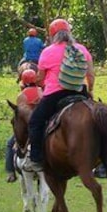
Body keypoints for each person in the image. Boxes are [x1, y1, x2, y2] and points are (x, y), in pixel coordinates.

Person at [21, 19, 95, 173]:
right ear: (69, 33)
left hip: (55, 94)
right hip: (80, 92)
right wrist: (90, 91)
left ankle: (36, 159)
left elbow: (40, 78)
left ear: (53, 35)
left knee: (35, 121)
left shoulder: (47, 51)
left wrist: (42, 84)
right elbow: (91, 75)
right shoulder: (82, 49)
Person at [5, 68, 42, 183]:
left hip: (27, 129)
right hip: (42, 126)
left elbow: (20, 117)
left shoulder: (21, 96)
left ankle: (11, 172)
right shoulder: (42, 91)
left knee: (10, 143)